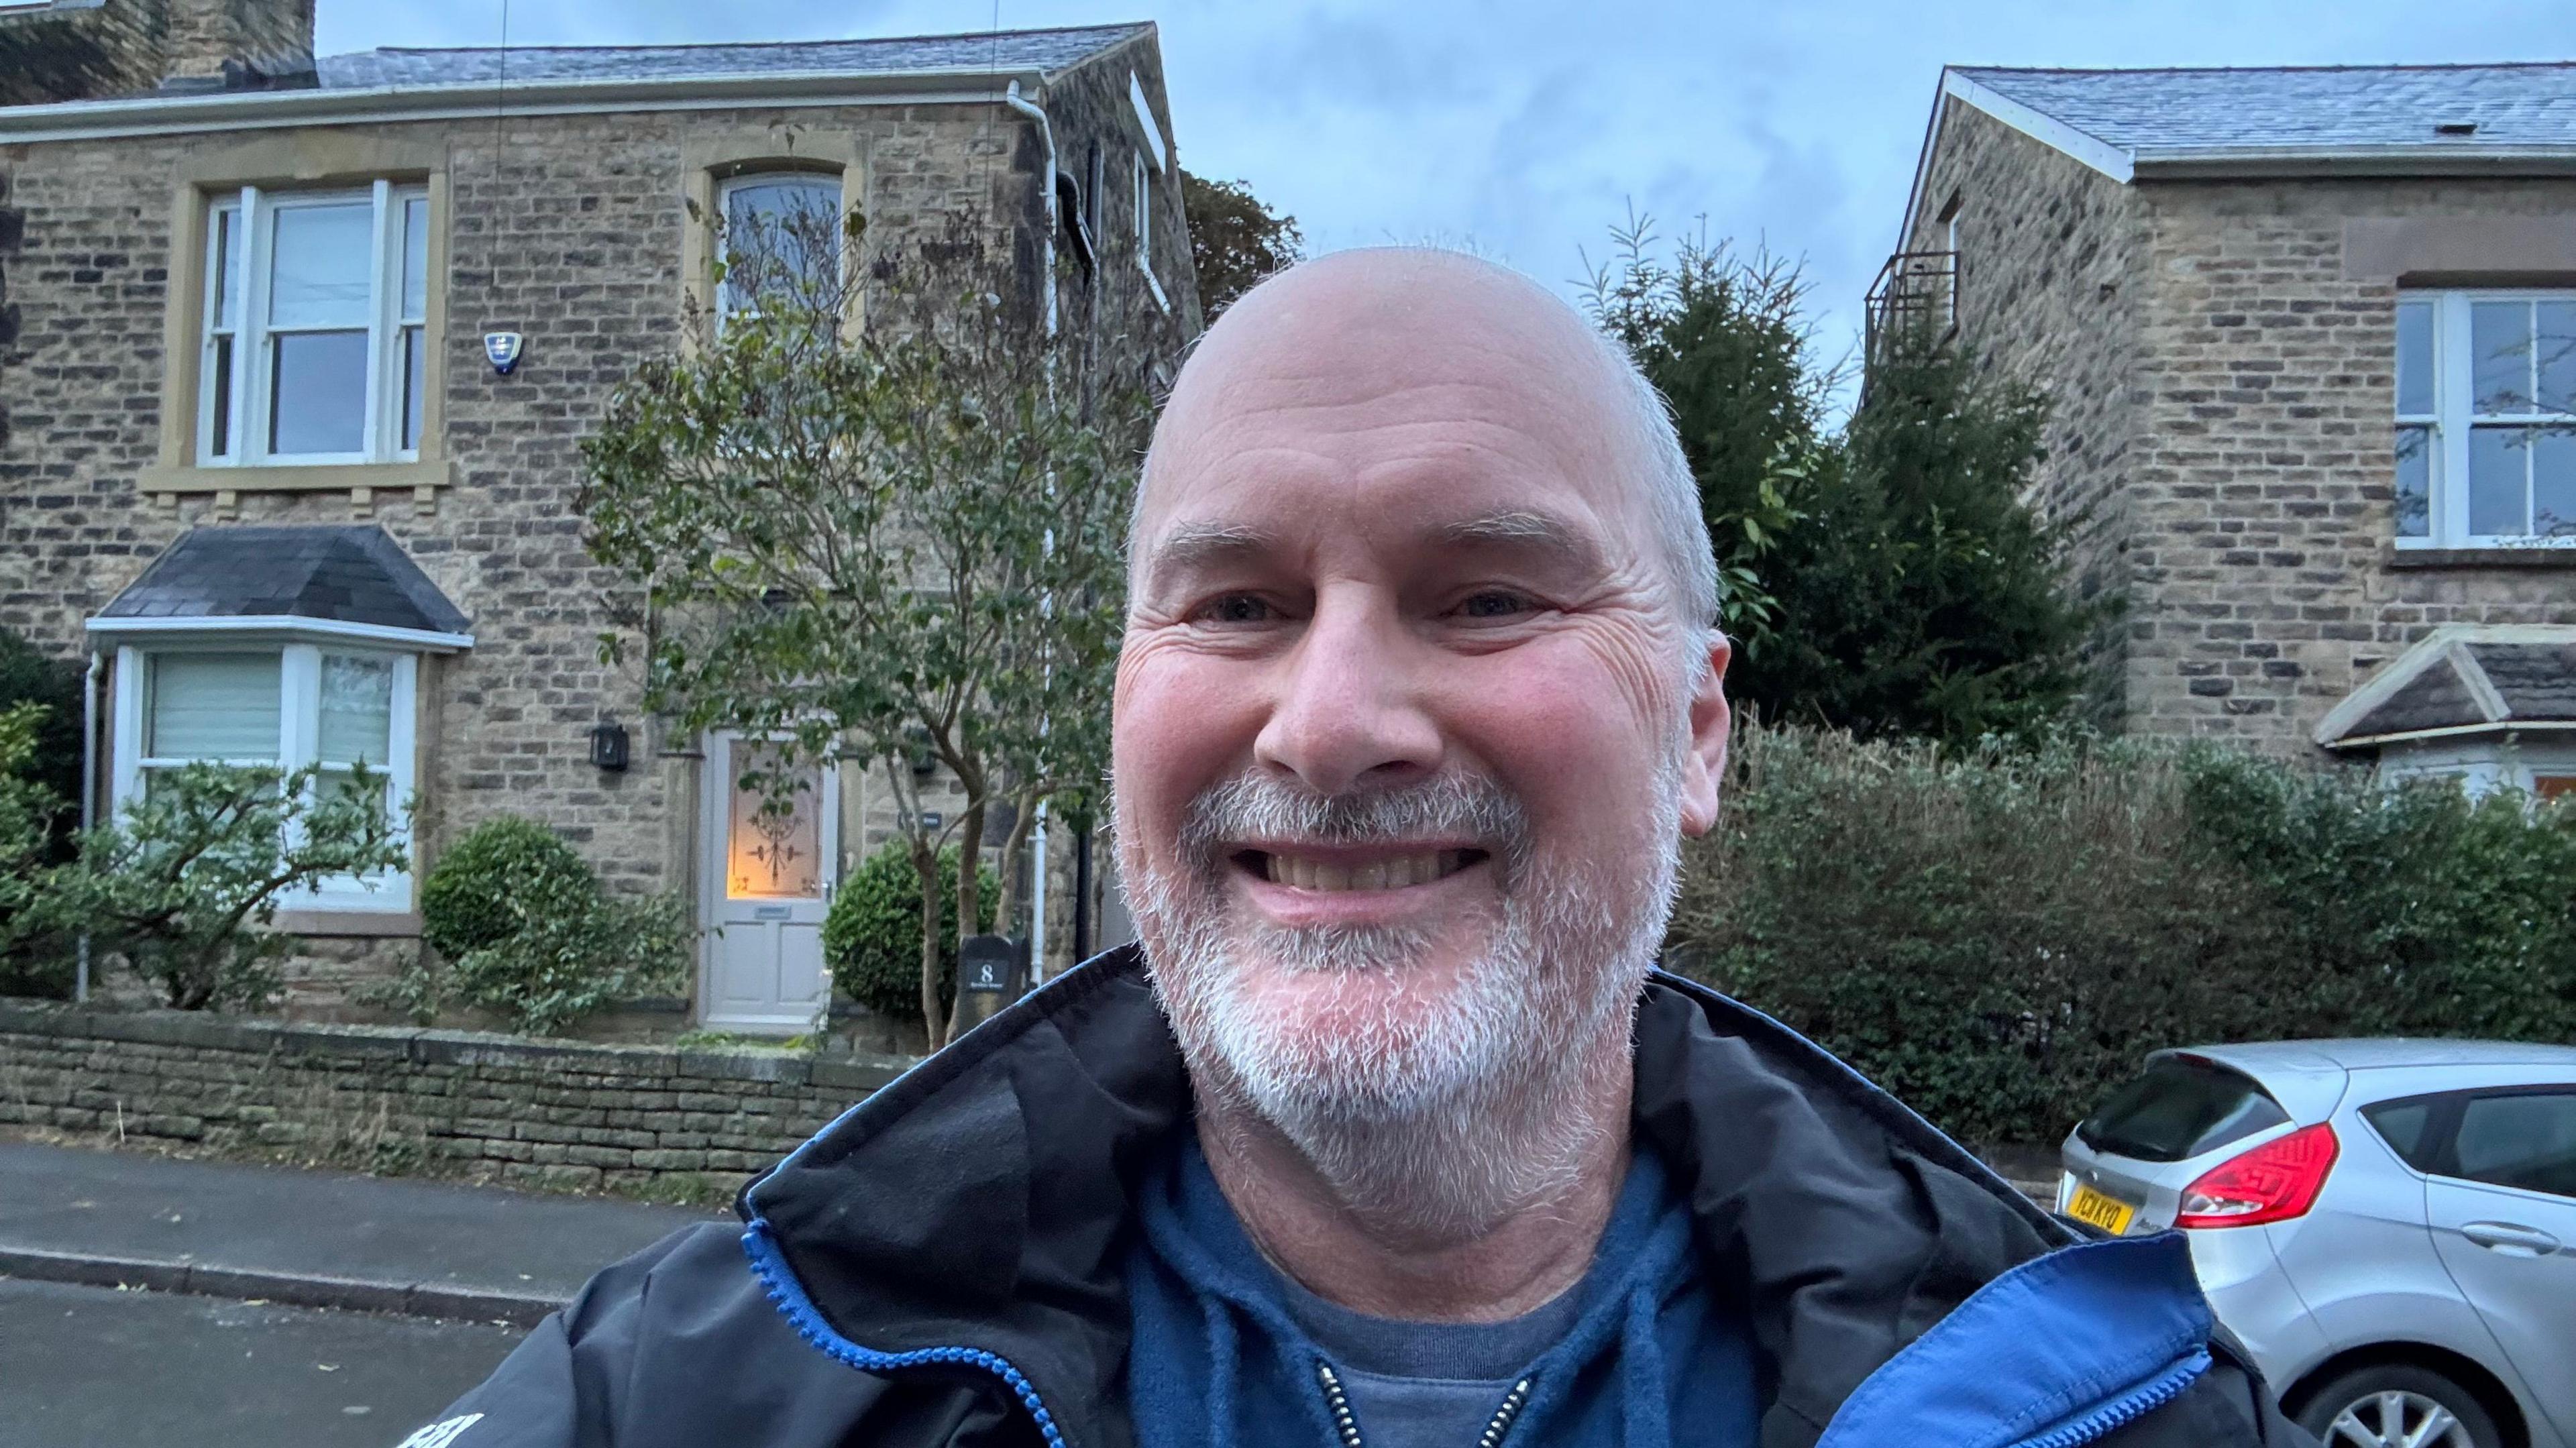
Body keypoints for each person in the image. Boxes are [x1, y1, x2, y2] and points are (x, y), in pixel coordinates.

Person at [405, 250, 2306, 1448]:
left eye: (1485, 595)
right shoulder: (699, 1387)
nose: (1325, 720)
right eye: (1232, 605)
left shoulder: (2105, 1417)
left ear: (1701, 731)